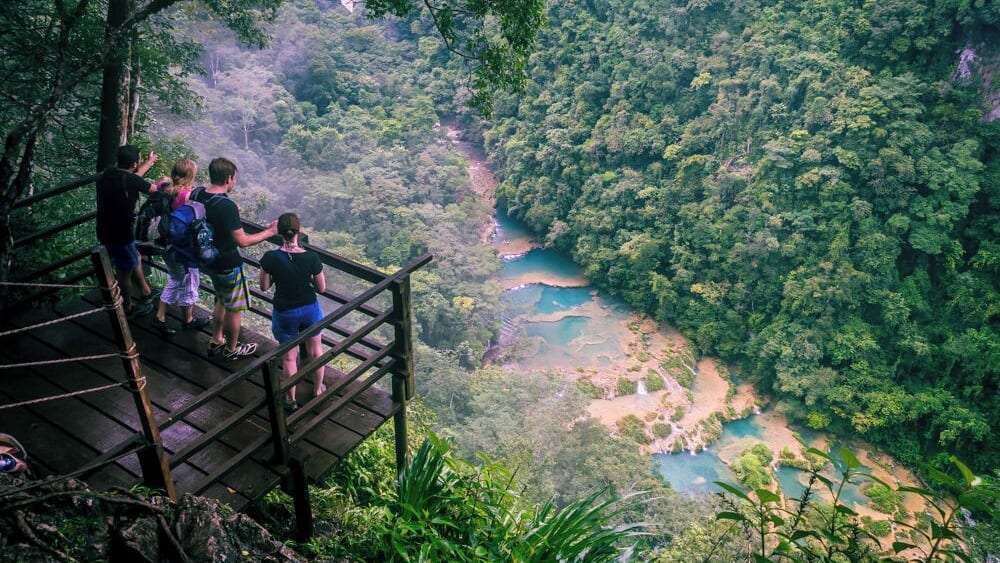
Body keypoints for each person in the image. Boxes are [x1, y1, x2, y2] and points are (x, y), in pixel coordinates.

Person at [193, 157, 277, 360]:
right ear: (229, 178)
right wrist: (270, 231)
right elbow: (243, 241)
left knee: (222, 299)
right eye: (234, 179)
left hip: (206, 259)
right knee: (235, 308)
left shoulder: (197, 193)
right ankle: (231, 349)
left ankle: (216, 339)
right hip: (227, 263)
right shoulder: (225, 206)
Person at [259, 213, 326, 411]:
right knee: (316, 352)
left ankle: (291, 399)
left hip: (285, 312)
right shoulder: (311, 257)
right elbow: (322, 288)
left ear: (279, 233)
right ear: (299, 231)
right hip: (309, 309)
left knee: (289, 358)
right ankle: (317, 390)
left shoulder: (270, 258)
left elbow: (263, 286)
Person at [95, 145, 163, 315]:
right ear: (134, 163)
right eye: (139, 160)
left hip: (104, 228)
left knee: (135, 258)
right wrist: (164, 183)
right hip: (121, 233)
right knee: (124, 272)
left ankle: (146, 291)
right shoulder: (131, 180)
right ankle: (126, 307)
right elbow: (154, 189)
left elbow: (134, 176)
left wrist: (149, 162)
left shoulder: (107, 175)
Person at [150, 159, 211, 336]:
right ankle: (163, 318)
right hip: (181, 246)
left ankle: (184, 318)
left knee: (178, 278)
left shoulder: (164, 186)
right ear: (190, 175)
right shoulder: (186, 196)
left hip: (165, 242)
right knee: (186, 280)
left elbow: (160, 184)